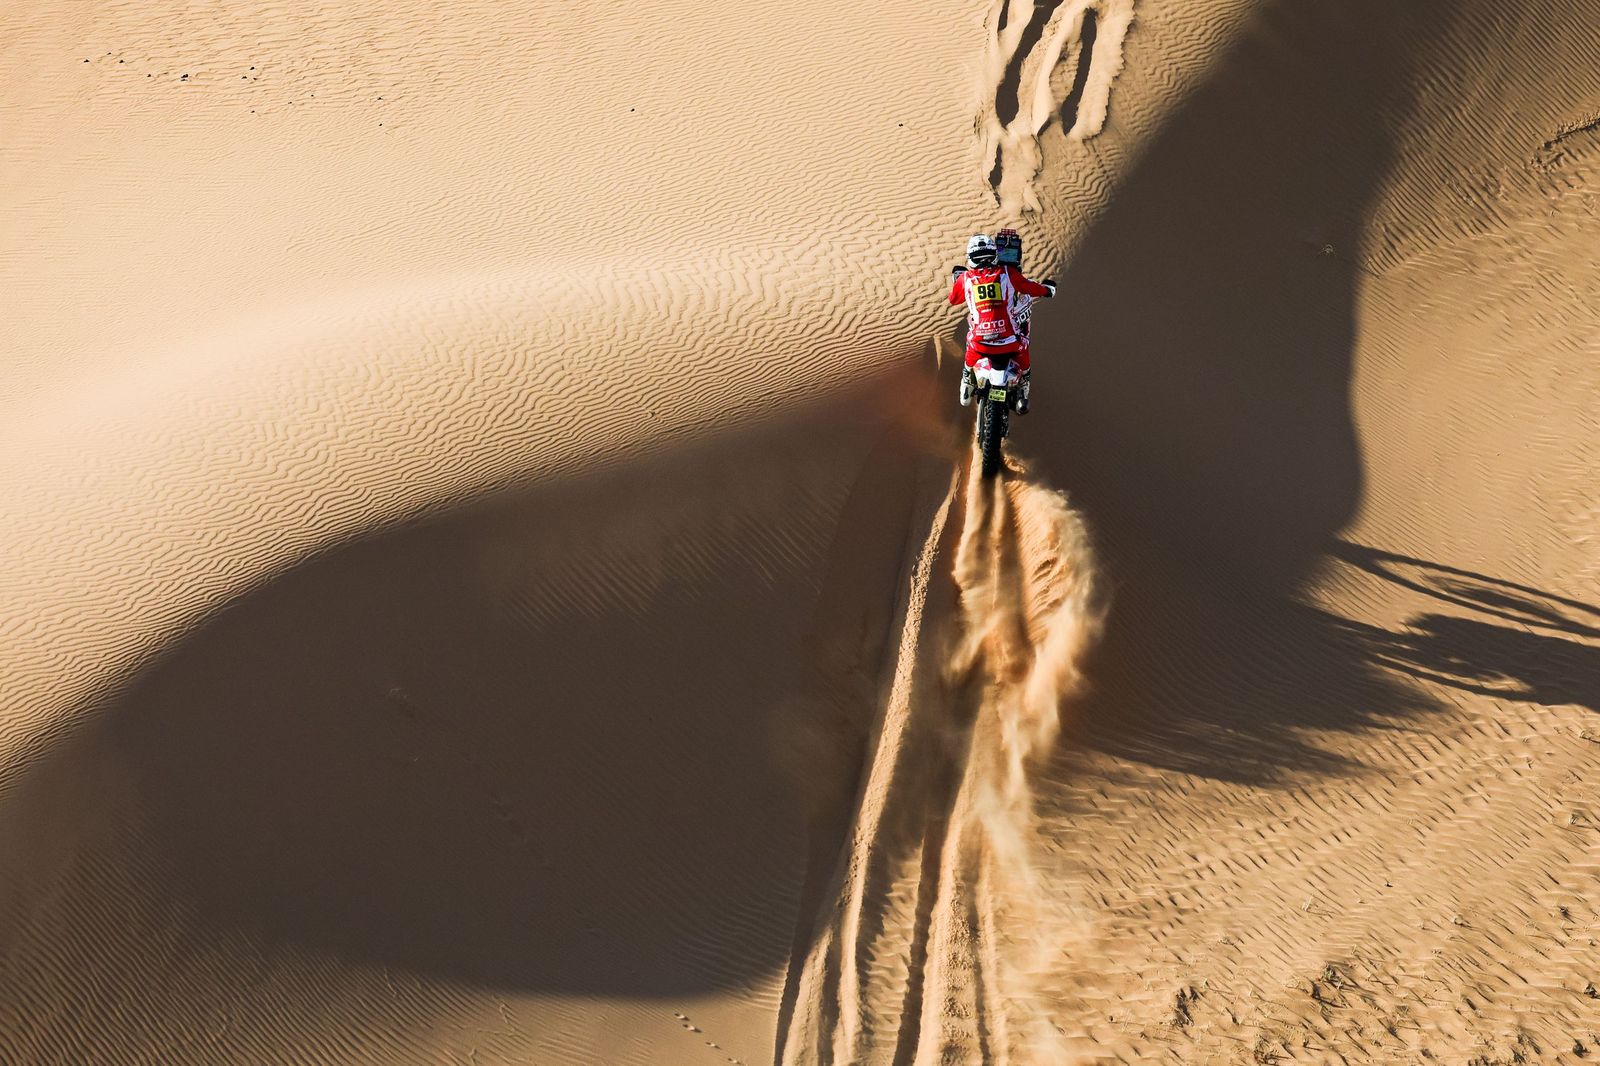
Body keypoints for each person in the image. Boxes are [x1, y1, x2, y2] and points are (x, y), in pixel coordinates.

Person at [948, 232, 1054, 413]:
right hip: (1009, 344)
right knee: (1024, 353)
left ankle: (966, 382)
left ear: (970, 258)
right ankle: (1023, 388)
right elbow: (1030, 287)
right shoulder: (1008, 273)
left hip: (980, 345)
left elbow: (953, 300)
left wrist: (959, 282)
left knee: (969, 353)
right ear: (994, 254)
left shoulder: (965, 279)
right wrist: (1048, 290)